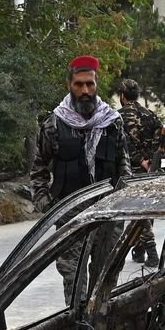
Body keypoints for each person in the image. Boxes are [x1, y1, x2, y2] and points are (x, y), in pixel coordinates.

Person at [31, 55, 126, 305]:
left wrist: (125, 207)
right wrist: (47, 206)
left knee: (106, 279)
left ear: (97, 85)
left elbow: (123, 169)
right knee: (74, 284)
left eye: (90, 84)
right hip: (70, 216)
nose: (85, 91)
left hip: (108, 214)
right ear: (69, 85)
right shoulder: (53, 124)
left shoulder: (112, 123)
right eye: (79, 85)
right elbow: (38, 169)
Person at [117, 77, 165, 266]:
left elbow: (122, 145)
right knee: (145, 210)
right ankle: (139, 251)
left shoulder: (118, 117)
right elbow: (161, 140)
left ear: (122, 96)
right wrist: (151, 159)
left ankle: (152, 253)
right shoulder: (151, 115)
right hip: (150, 170)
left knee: (138, 210)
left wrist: (140, 160)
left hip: (130, 171)